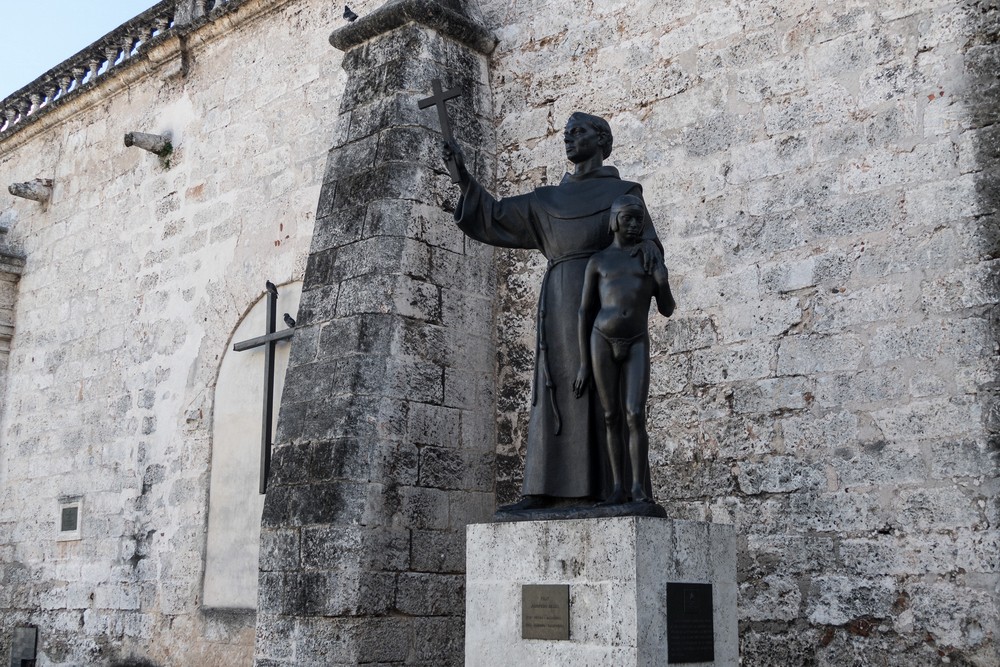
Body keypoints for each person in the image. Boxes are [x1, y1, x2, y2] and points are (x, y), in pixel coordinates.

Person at [442, 113, 663, 511]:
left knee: (607, 398)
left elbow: (647, 245)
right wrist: (462, 178)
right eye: (566, 133)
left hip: (605, 304)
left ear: (601, 140)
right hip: (560, 304)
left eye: (578, 132)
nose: (568, 138)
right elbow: (493, 215)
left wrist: (651, 249)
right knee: (556, 390)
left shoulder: (624, 193)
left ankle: (618, 491)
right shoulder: (546, 201)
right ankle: (543, 489)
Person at [573, 195, 675, 505]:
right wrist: (583, 365)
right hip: (601, 338)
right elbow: (584, 311)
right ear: (615, 220)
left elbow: (667, 309)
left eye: (638, 219)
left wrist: (662, 279)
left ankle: (638, 487)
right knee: (610, 415)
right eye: (627, 218)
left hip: (636, 341)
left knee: (634, 414)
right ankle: (616, 487)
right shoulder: (599, 261)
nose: (633, 225)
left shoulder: (648, 257)